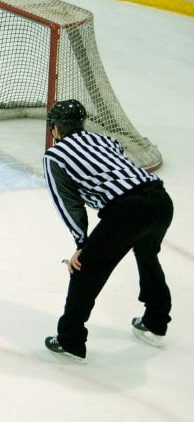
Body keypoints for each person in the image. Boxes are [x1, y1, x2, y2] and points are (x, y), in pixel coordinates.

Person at [42, 99, 174, 361]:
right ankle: (156, 322)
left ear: (55, 128)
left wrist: (82, 244)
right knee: (147, 254)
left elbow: (68, 203)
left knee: (85, 270)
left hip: (128, 211)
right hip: (161, 200)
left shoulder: (54, 155)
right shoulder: (104, 140)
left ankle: (70, 340)